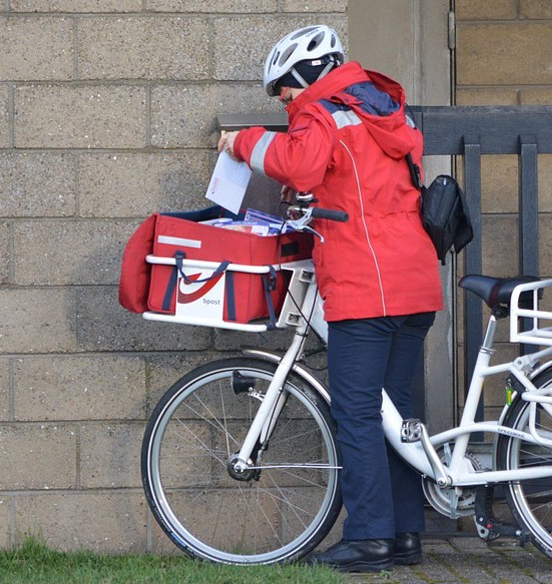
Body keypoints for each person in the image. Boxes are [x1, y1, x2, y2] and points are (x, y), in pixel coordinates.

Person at [217, 25, 443, 572]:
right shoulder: (381, 109)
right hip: (414, 280)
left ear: (305, 77)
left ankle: (368, 539)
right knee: (396, 413)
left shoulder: (325, 114)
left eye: (283, 89)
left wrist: (240, 141)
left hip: (367, 284)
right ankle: (405, 535)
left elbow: (299, 163)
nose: (281, 100)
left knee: (358, 413)